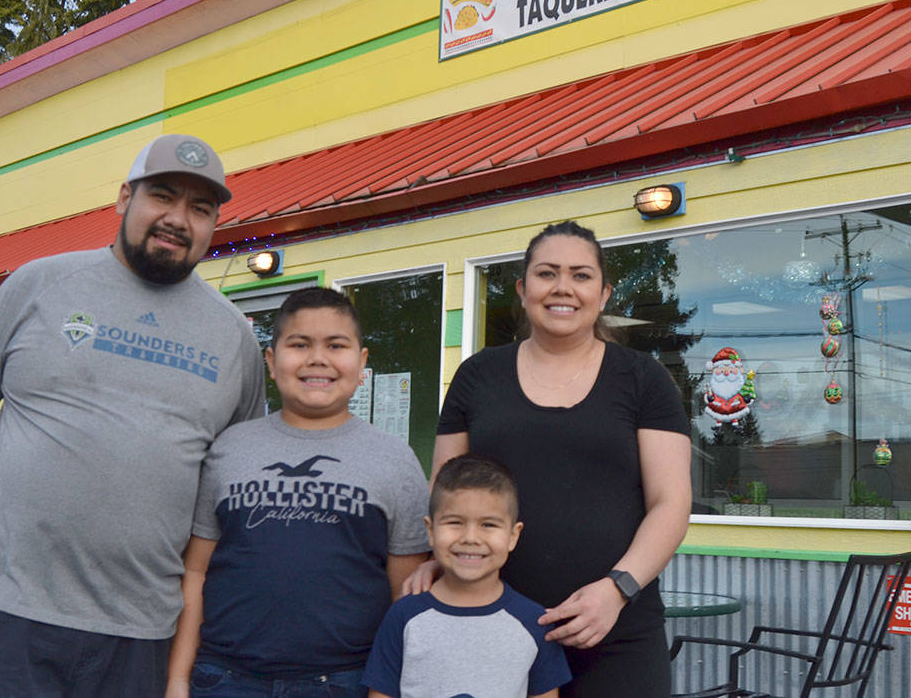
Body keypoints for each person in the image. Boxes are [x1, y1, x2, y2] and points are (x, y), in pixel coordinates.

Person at [0, 134, 266, 697]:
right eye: (162, 196)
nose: (178, 219)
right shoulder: (39, 284)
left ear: (214, 225)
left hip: (142, 629)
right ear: (123, 198)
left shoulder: (233, 335)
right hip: (4, 612)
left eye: (200, 208)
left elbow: (233, 479)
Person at [420, 220, 692, 697]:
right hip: (490, 629)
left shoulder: (643, 379)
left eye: (581, 275)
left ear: (603, 295)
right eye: (547, 273)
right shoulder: (477, 376)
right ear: (523, 290)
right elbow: (446, 490)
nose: (563, 287)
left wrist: (617, 589)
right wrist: (434, 559)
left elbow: (670, 503)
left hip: (618, 636)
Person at [167, 287, 430, 698]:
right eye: (300, 344)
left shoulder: (395, 461)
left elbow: (404, 594)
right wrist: (178, 679)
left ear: (362, 362)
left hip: (345, 680)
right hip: (225, 678)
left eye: (336, 345)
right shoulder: (229, 449)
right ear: (272, 362)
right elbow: (197, 572)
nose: (317, 358)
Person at [363, 453, 571, 698]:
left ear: (513, 536)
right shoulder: (404, 616)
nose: (470, 538)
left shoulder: (534, 622)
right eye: (455, 522)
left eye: (488, 525)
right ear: (430, 531)